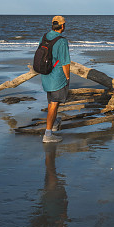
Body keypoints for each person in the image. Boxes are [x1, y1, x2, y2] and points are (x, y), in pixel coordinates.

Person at [41, 15, 70, 143]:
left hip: (46, 74)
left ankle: (52, 124)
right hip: (57, 77)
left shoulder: (45, 37)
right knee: (54, 104)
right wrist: (68, 77)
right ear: (62, 26)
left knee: (51, 102)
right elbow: (65, 62)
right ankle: (48, 135)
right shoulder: (62, 41)